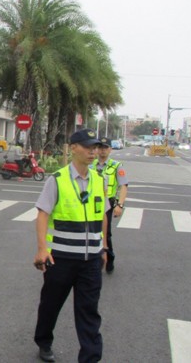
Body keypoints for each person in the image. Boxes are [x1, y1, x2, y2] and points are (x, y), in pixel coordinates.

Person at [33, 129, 110, 363]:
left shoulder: (99, 179)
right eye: (88, 147)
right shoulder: (57, 179)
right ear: (73, 148)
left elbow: (103, 215)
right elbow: (42, 214)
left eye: (95, 147)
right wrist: (42, 249)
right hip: (61, 259)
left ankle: (90, 358)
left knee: (88, 312)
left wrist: (104, 247)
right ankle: (43, 342)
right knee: (51, 305)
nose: (93, 152)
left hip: (91, 260)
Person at [91, 137, 128, 273]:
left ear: (110, 149)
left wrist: (120, 205)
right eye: (100, 147)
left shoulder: (116, 166)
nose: (102, 151)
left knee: (105, 233)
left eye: (105, 148)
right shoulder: (91, 165)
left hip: (108, 202)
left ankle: (109, 258)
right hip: (91, 202)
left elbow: (123, 186)